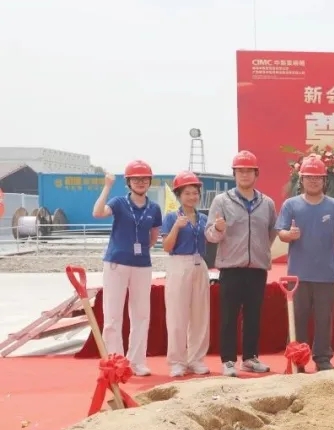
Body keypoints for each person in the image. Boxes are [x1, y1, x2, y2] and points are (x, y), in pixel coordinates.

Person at [205, 150, 278, 378]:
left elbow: (271, 232)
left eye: (249, 171)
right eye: (240, 171)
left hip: (257, 268)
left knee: (254, 315)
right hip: (231, 268)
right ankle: (228, 360)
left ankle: (250, 358)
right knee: (228, 316)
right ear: (234, 174)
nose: (244, 175)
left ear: (256, 174)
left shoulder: (267, 203)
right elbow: (210, 235)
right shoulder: (221, 201)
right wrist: (218, 229)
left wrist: (259, 251)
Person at [276, 154, 334, 372]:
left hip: (326, 274)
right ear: (301, 180)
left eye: (318, 177)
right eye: (309, 177)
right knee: (298, 319)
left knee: (324, 319)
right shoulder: (291, 205)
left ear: (325, 180)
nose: (314, 181)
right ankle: (297, 359)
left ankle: (323, 358)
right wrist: (289, 235)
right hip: (298, 275)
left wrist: (332, 259)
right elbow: (281, 233)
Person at [91, 160, 163, 377]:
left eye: (144, 179)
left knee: (141, 315)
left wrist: (139, 250)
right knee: (113, 315)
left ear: (149, 181)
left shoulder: (154, 208)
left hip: (142, 265)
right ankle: (115, 362)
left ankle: (137, 362)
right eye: (135, 179)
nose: (140, 182)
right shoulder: (119, 202)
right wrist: (107, 186)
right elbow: (98, 212)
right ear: (128, 182)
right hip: (116, 263)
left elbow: (153, 236)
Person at [161, 172, 211, 378]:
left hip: (200, 265)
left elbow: (212, 238)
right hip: (179, 264)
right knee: (177, 314)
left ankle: (196, 359)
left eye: (195, 192)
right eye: (187, 193)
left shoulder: (204, 218)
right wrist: (176, 227)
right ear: (179, 195)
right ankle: (177, 361)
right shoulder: (171, 217)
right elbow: (166, 246)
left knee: (200, 315)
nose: (192, 197)